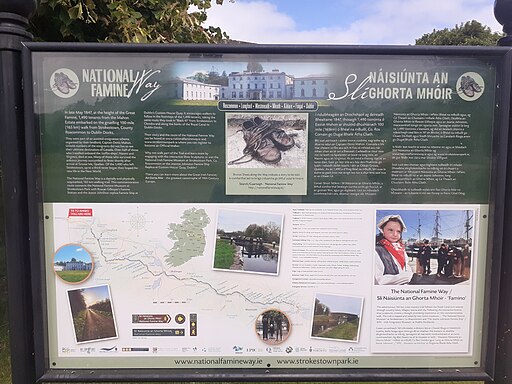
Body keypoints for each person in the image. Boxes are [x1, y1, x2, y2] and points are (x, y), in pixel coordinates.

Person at [375, 215, 413, 285]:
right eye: (390, 230)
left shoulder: (401, 249)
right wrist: (409, 277)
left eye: (398, 231)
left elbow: (406, 267)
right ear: (382, 230)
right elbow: (378, 280)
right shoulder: (376, 251)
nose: (395, 234)